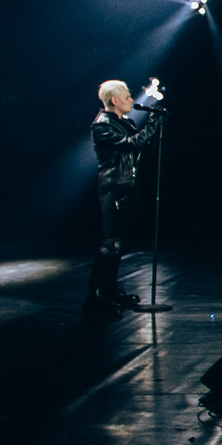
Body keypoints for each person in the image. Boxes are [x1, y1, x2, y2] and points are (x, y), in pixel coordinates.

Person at [87, 76, 165, 311]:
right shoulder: (102, 125)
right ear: (114, 100)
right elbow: (132, 143)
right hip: (114, 188)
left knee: (122, 243)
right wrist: (154, 121)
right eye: (127, 97)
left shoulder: (126, 122)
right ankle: (95, 295)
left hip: (128, 187)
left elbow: (142, 145)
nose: (132, 100)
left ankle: (110, 289)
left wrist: (154, 126)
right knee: (113, 242)